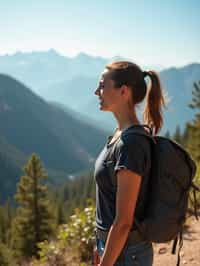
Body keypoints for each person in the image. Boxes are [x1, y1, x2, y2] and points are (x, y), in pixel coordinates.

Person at [93, 61, 165, 266]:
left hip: (126, 254)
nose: (96, 91)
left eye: (102, 86)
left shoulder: (131, 144)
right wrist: (99, 244)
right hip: (114, 248)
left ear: (123, 91)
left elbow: (124, 222)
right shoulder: (120, 136)